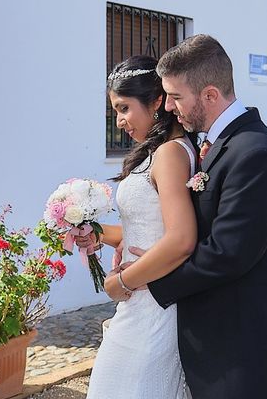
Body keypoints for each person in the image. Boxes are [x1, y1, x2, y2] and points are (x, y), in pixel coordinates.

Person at [120, 34, 267, 398]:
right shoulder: (213, 144)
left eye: (176, 96)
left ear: (211, 95)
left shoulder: (256, 153)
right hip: (209, 343)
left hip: (239, 349)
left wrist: (150, 281)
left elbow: (227, 253)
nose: (167, 107)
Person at [83, 55, 198, 399]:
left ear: (157, 101)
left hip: (152, 303)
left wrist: (120, 282)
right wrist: (97, 232)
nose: (119, 121)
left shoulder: (170, 154)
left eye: (124, 108)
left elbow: (180, 239)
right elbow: (148, 228)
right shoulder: (158, 151)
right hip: (140, 302)